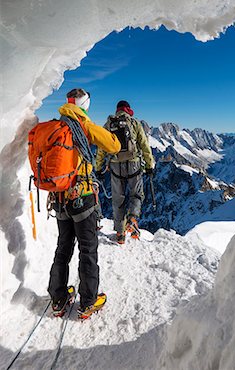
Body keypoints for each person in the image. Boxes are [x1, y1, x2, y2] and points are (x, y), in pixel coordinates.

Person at [48, 88, 121, 318]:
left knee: (63, 247)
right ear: (85, 105)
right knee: (87, 249)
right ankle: (88, 301)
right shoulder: (83, 126)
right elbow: (114, 145)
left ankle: (58, 298)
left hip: (59, 197)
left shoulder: (56, 126)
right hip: (82, 198)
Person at [96, 100, 155, 244]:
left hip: (115, 165)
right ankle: (133, 218)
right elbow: (144, 146)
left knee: (118, 199)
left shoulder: (109, 124)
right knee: (136, 194)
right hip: (134, 164)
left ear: (117, 110)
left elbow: (101, 149)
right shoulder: (134, 123)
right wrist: (149, 165)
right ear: (128, 109)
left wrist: (98, 167)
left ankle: (120, 233)